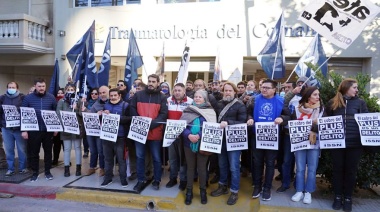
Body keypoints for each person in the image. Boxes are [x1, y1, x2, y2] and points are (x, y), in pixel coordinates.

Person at [326, 78, 368, 211]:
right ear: (346, 88)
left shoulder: (360, 102)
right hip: (336, 144)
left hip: (355, 144)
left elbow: (367, 120)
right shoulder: (332, 102)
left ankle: (348, 198)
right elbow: (325, 121)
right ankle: (337, 197)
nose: (357, 90)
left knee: (351, 172)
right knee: (337, 170)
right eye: (354, 87)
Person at [247, 79, 289, 201]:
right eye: (263, 87)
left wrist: (282, 118)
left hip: (273, 137)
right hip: (257, 135)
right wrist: (249, 118)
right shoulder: (254, 99)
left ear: (274, 89)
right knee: (257, 162)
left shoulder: (281, 100)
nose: (264, 89)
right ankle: (257, 186)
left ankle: (267, 188)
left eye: (267, 88)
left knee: (270, 163)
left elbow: (288, 115)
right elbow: (248, 112)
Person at [210, 82, 247, 205]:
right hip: (221, 139)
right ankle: (222, 186)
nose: (227, 92)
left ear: (235, 92)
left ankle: (234, 191)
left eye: (230, 90)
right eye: (225, 90)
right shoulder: (219, 104)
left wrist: (228, 122)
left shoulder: (240, 105)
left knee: (234, 167)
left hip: (234, 141)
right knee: (222, 165)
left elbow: (243, 122)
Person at [130, 74, 168, 192]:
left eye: (153, 81)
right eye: (149, 81)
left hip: (155, 132)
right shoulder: (138, 95)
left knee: (157, 158)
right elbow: (132, 109)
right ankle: (140, 180)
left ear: (158, 83)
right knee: (140, 157)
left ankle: (157, 180)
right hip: (139, 132)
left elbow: (163, 114)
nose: (151, 83)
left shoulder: (162, 97)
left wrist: (149, 125)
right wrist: (141, 123)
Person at [289, 86, 325, 204]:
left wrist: (312, 127)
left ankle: (308, 192)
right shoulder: (297, 108)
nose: (317, 97)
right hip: (300, 143)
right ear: (308, 96)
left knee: (312, 169)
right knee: (299, 168)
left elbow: (324, 125)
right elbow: (293, 124)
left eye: (318, 95)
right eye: (315, 94)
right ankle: (299, 190)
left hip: (314, 143)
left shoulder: (322, 109)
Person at [181, 90, 216, 205]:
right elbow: (182, 126)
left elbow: (211, 127)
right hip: (188, 143)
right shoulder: (187, 110)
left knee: (202, 169)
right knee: (190, 169)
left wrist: (199, 135)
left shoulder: (210, 112)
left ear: (205, 99)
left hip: (203, 144)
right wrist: (189, 135)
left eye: (200, 97)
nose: (197, 98)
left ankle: (202, 192)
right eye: (195, 97)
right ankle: (189, 192)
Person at [21, 78, 57, 182]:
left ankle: (47, 172)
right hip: (33, 131)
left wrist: (56, 128)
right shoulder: (28, 98)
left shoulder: (51, 97)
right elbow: (23, 115)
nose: (41, 88)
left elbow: (55, 113)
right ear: (35, 86)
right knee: (34, 153)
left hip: (48, 131)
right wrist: (24, 130)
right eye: (39, 86)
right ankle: (35, 173)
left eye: (43, 86)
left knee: (48, 153)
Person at [277, 79, 307, 191]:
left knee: (300, 162)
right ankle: (285, 183)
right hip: (288, 134)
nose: (301, 86)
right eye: (299, 84)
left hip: (302, 134)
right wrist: (292, 93)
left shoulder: (308, 99)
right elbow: (282, 103)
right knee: (286, 161)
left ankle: (298, 185)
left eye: (303, 85)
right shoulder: (290, 98)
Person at [166, 83, 193, 190]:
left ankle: (183, 180)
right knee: (172, 159)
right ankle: (172, 178)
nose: (177, 92)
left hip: (184, 135)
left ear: (184, 91)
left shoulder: (191, 101)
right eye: (175, 90)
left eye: (179, 90)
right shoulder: (168, 100)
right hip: (170, 134)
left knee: (183, 160)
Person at [100, 88, 129, 187]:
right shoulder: (106, 105)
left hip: (120, 137)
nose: (112, 97)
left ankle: (123, 179)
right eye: (111, 95)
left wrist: (116, 118)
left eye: (115, 95)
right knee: (107, 159)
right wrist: (101, 114)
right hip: (107, 137)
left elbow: (129, 119)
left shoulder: (125, 105)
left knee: (121, 160)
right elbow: (102, 120)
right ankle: (107, 178)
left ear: (119, 96)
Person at [0, 81, 27, 176]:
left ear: (17, 88)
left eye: (13, 87)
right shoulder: (2, 98)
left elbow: (25, 113)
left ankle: (22, 168)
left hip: (19, 129)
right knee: (9, 150)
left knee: (22, 149)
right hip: (6, 129)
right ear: (7, 88)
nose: (11, 89)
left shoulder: (23, 98)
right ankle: (10, 169)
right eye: (9, 87)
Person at [57, 84, 84, 177]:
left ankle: (78, 168)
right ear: (65, 90)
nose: (70, 91)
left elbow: (82, 114)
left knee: (77, 148)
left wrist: (76, 109)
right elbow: (58, 114)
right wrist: (65, 121)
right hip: (66, 129)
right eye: (68, 89)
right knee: (67, 149)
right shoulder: (61, 101)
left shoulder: (79, 101)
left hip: (77, 128)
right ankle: (66, 168)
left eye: (72, 89)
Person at [83, 86, 109, 177]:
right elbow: (89, 115)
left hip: (101, 131)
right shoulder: (96, 104)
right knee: (93, 150)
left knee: (100, 150)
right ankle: (92, 167)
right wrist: (95, 114)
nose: (102, 94)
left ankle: (102, 168)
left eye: (104, 92)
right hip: (91, 130)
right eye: (100, 93)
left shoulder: (110, 103)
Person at [52, 88, 64, 166]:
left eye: (61, 93)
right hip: (57, 126)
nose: (59, 94)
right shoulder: (54, 101)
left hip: (64, 127)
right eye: (58, 93)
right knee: (56, 145)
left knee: (65, 146)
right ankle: (55, 159)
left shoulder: (66, 102)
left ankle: (66, 160)